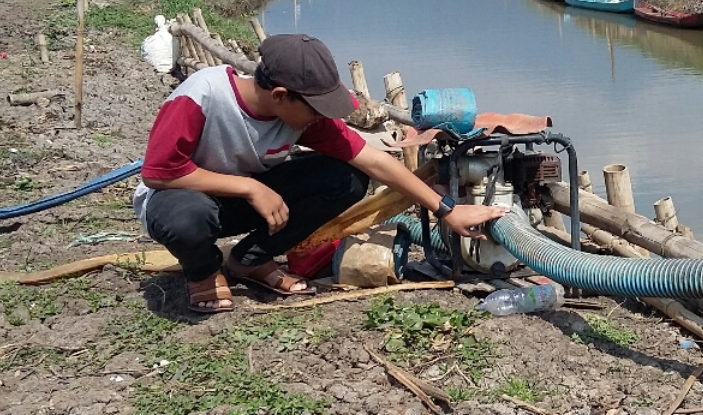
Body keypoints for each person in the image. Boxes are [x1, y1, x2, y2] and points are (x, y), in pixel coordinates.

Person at [133, 34, 507, 313]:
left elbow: (374, 162)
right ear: (281, 95)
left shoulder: (301, 118)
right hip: (180, 197)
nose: (321, 118)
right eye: (315, 108)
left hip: (243, 200)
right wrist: (248, 187)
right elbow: (159, 173)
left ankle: (249, 261)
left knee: (346, 180)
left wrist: (447, 209)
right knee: (187, 220)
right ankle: (202, 269)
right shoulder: (201, 96)